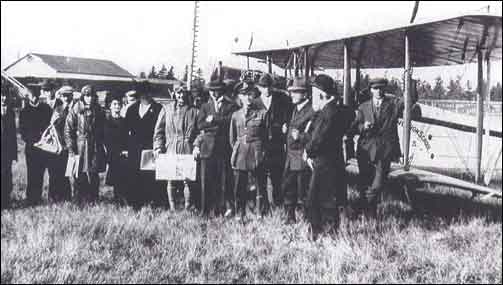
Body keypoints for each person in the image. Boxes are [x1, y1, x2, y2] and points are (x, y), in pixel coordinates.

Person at [304, 74, 355, 240]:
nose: (312, 98)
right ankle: (329, 233)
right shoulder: (338, 110)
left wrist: (308, 152)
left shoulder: (328, 113)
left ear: (320, 94)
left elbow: (319, 138)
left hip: (324, 162)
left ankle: (322, 233)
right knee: (328, 198)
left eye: (313, 94)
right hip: (334, 160)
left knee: (316, 199)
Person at [355, 78, 404, 217]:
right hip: (365, 150)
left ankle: (364, 208)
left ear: (385, 89)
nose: (378, 91)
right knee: (364, 183)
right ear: (371, 90)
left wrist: (410, 82)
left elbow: (408, 100)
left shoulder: (392, 105)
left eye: (381, 88)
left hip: (384, 151)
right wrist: (363, 127)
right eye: (375, 88)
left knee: (377, 185)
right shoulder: (363, 107)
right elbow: (354, 127)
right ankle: (369, 213)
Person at [192, 79, 239, 217]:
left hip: (224, 147)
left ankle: (223, 209)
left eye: (216, 90)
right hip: (207, 148)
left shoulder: (231, 105)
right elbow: (200, 125)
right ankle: (205, 210)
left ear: (221, 91)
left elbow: (231, 121)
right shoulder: (205, 106)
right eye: (212, 90)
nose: (214, 92)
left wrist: (214, 120)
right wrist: (217, 123)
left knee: (224, 180)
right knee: (206, 181)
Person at [153, 86, 198, 211]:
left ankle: (187, 207)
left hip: (187, 147)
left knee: (187, 179)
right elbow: (159, 131)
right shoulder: (166, 110)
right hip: (171, 147)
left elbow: (201, 131)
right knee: (171, 179)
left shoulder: (194, 111)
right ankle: (172, 208)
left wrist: (196, 146)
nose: (181, 96)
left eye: (183, 94)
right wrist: (158, 147)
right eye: (178, 94)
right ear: (174, 95)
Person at [255, 73, 293, 209]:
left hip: (276, 144)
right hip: (261, 145)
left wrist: (285, 125)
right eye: (264, 87)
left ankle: (278, 202)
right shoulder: (255, 103)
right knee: (261, 177)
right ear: (259, 88)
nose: (267, 90)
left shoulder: (281, 100)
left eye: (269, 86)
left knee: (277, 175)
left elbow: (288, 116)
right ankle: (263, 205)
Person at [230, 86, 268, 220]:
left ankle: (259, 212)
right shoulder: (235, 115)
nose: (248, 98)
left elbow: (266, 136)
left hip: (256, 153)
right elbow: (232, 138)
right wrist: (237, 150)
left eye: (251, 95)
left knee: (258, 184)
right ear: (240, 97)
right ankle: (240, 212)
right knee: (240, 184)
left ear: (255, 96)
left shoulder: (262, 113)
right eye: (244, 95)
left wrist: (262, 152)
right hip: (240, 152)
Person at [65, 85, 107, 204]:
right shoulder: (76, 109)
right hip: (80, 145)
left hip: (94, 145)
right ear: (83, 96)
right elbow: (68, 130)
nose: (90, 98)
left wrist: (102, 145)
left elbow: (103, 129)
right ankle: (78, 200)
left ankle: (93, 199)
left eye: (92, 96)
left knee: (93, 173)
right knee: (78, 174)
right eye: (87, 96)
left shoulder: (99, 110)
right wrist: (71, 148)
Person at [125, 81, 164, 207]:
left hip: (150, 148)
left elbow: (161, 130)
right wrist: (126, 148)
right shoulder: (132, 109)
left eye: (147, 93)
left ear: (150, 94)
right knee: (133, 175)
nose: (144, 96)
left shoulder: (158, 109)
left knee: (149, 175)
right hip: (134, 148)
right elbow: (125, 130)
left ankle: (150, 202)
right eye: (142, 93)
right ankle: (135, 202)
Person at [282, 77, 315, 224]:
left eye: (296, 92)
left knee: (304, 190)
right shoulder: (294, 109)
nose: (292, 95)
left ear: (305, 94)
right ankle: (290, 217)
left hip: (302, 157)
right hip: (290, 156)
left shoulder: (312, 111)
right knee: (289, 186)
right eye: (291, 92)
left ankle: (309, 220)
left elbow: (316, 136)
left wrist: (300, 136)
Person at [19, 84, 52, 206]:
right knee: (32, 174)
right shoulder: (24, 112)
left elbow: (50, 127)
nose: (33, 98)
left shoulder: (46, 109)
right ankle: (31, 199)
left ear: (39, 95)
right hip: (31, 148)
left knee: (41, 173)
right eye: (31, 95)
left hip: (45, 147)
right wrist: (33, 141)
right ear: (28, 96)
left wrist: (44, 140)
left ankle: (38, 197)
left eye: (36, 95)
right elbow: (23, 132)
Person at [47, 85, 74, 202]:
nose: (66, 98)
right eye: (64, 95)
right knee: (54, 172)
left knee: (66, 173)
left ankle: (66, 197)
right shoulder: (56, 109)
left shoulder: (75, 109)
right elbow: (51, 126)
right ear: (60, 96)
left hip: (69, 146)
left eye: (68, 96)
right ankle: (53, 197)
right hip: (57, 146)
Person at [104, 93, 128, 204]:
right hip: (112, 153)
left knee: (123, 177)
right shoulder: (106, 122)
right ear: (110, 106)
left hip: (123, 153)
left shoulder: (124, 121)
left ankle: (122, 198)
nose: (117, 106)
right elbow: (104, 139)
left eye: (119, 104)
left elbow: (128, 137)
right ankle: (116, 199)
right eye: (114, 104)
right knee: (115, 177)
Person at [1, 89, 17, 209]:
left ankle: (6, 200)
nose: (3, 98)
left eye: (5, 96)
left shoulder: (10, 112)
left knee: (6, 175)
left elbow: (13, 135)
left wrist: (13, 154)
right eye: (1, 96)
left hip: (6, 151)